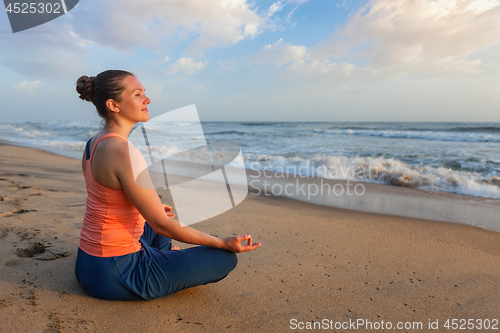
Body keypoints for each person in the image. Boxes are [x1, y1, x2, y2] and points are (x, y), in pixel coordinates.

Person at [74, 70, 261, 301]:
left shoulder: (93, 144)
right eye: (138, 94)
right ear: (113, 105)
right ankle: (162, 263)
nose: (147, 99)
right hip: (116, 274)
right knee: (224, 258)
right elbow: (163, 226)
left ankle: (163, 259)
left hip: (86, 264)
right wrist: (221, 242)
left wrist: (146, 212)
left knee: (153, 219)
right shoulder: (123, 151)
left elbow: (106, 199)